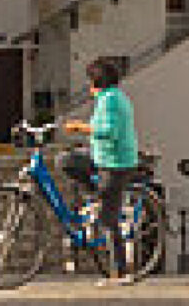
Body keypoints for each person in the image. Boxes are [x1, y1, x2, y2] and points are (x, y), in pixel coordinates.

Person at [62, 57, 140, 286]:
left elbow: (108, 131)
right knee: (66, 161)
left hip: (115, 163)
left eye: (90, 81)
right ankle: (95, 194)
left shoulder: (111, 100)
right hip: (103, 157)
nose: (88, 86)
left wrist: (80, 127)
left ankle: (120, 272)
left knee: (108, 219)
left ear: (97, 82)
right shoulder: (110, 97)